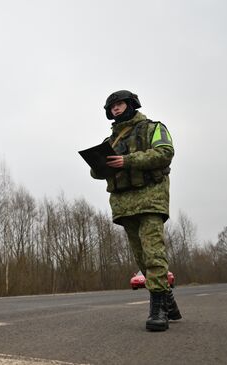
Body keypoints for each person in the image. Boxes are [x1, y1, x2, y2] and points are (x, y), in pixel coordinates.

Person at [91, 90, 182, 332]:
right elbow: (98, 172)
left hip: (151, 198)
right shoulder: (111, 140)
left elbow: (165, 152)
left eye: (119, 104)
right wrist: (98, 165)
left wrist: (127, 160)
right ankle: (167, 299)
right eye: (112, 107)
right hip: (124, 203)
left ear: (131, 104)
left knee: (153, 253)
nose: (116, 109)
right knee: (141, 257)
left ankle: (158, 310)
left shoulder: (153, 128)